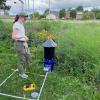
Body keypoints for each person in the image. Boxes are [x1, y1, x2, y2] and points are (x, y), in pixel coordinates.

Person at [12, 13, 31, 78]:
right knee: (21, 60)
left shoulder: (21, 24)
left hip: (23, 43)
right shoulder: (16, 25)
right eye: (25, 18)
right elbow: (14, 37)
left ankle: (21, 68)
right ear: (20, 17)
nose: (25, 19)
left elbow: (22, 34)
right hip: (19, 44)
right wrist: (23, 36)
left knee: (28, 55)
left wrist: (25, 41)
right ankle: (21, 73)